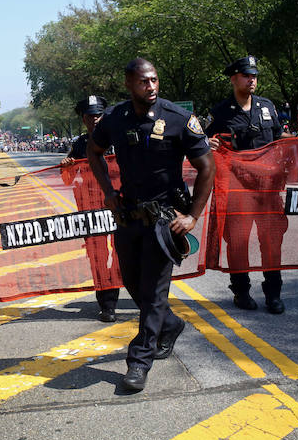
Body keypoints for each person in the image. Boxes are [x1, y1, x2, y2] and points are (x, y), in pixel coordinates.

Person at [86, 59, 214, 392]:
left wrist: (192, 216)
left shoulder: (178, 118)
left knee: (155, 293)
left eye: (155, 80)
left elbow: (207, 167)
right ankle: (169, 326)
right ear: (129, 84)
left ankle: (139, 361)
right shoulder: (115, 118)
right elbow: (94, 150)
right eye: (144, 82)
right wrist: (109, 193)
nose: (152, 86)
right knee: (133, 283)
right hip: (129, 215)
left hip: (164, 221)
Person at [205, 55, 298, 314]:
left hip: (267, 188)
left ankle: (273, 294)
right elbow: (200, 139)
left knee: (271, 240)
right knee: (238, 241)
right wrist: (206, 143)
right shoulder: (220, 112)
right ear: (234, 79)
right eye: (246, 75)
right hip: (237, 188)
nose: (252, 79)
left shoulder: (267, 106)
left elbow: (279, 136)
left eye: (254, 75)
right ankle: (241, 291)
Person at [60, 95, 120, 322]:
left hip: (120, 204)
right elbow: (67, 180)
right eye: (90, 116)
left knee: (121, 252)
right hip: (91, 206)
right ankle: (106, 304)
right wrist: (67, 166)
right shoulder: (79, 144)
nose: (95, 120)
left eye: (99, 115)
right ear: (83, 119)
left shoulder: (119, 137)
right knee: (97, 255)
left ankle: (117, 291)